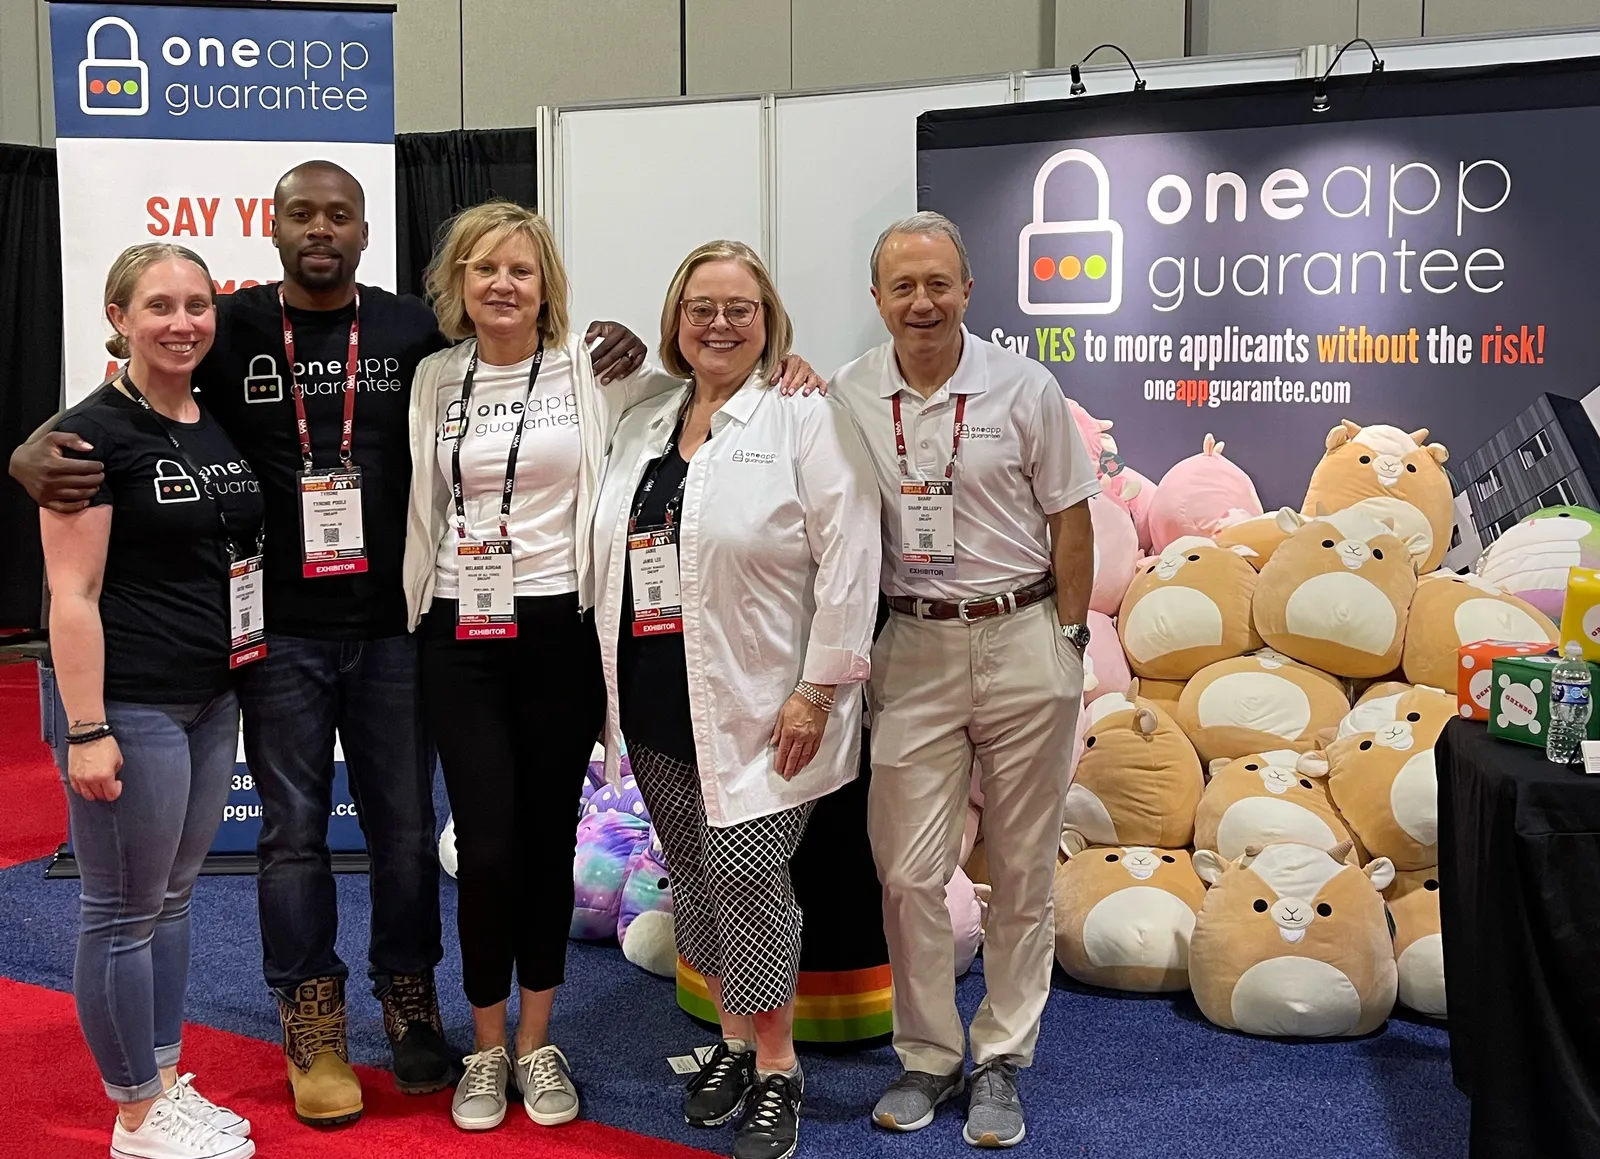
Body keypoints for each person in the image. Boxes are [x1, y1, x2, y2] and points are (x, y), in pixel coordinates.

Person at [8, 161, 651, 1129]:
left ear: (363, 229)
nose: (320, 227)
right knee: (293, 835)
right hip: (280, 636)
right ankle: (310, 1020)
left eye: (338, 214)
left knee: (401, 831)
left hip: (399, 629)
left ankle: (407, 1000)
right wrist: (28, 446)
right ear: (272, 228)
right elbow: (141, 396)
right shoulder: (233, 330)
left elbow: (521, 360)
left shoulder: (412, 334)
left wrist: (625, 347)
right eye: (300, 212)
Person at [401, 204, 824, 1134]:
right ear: (458, 284)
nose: (503, 284)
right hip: (458, 634)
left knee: (549, 842)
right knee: (486, 844)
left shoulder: (600, 378)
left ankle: (541, 1040)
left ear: (548, 281)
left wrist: (790, 367)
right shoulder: (433, 378)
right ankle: (485, 1045)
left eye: (521, 268)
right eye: (483, 269)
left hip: (561, 635)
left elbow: (714, 388)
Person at [594, 240, 880, 1159]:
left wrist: (818, 687)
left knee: (752, 879)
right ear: (676, 319)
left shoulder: (803, 413)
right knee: (698, 874)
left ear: (770, 323)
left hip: (763, 701)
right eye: (701, 307)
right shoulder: (647, 417)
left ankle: (777, 1063)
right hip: (654, 690)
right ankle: (726, 1037)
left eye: (740, 309)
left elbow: (851, 554)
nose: (719, 324)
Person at [828, 212, 1097, 1150]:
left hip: (1023, 635)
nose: (922, 301)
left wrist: (1067, 640)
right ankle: (929, 1051)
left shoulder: (1025, 386)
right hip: (913, 646)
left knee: (1023, 865)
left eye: (938, 283)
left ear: (969, 289)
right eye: (902, 286)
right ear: (876, 300)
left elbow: (1071, 519)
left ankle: (1001, 1058)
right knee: (905, 869)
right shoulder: (847, 393)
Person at [42, 243, 263, 1159]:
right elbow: (72, 594)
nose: (183, 322)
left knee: (170, 899)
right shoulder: (86, 437)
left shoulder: (212, 419)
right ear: (118, 316)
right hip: (127, 704)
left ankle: (161, 1081)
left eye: (198, 304)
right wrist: (87, 729)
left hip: (212, 697)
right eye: (160, 305)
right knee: (122, 908)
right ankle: (134, 1112)